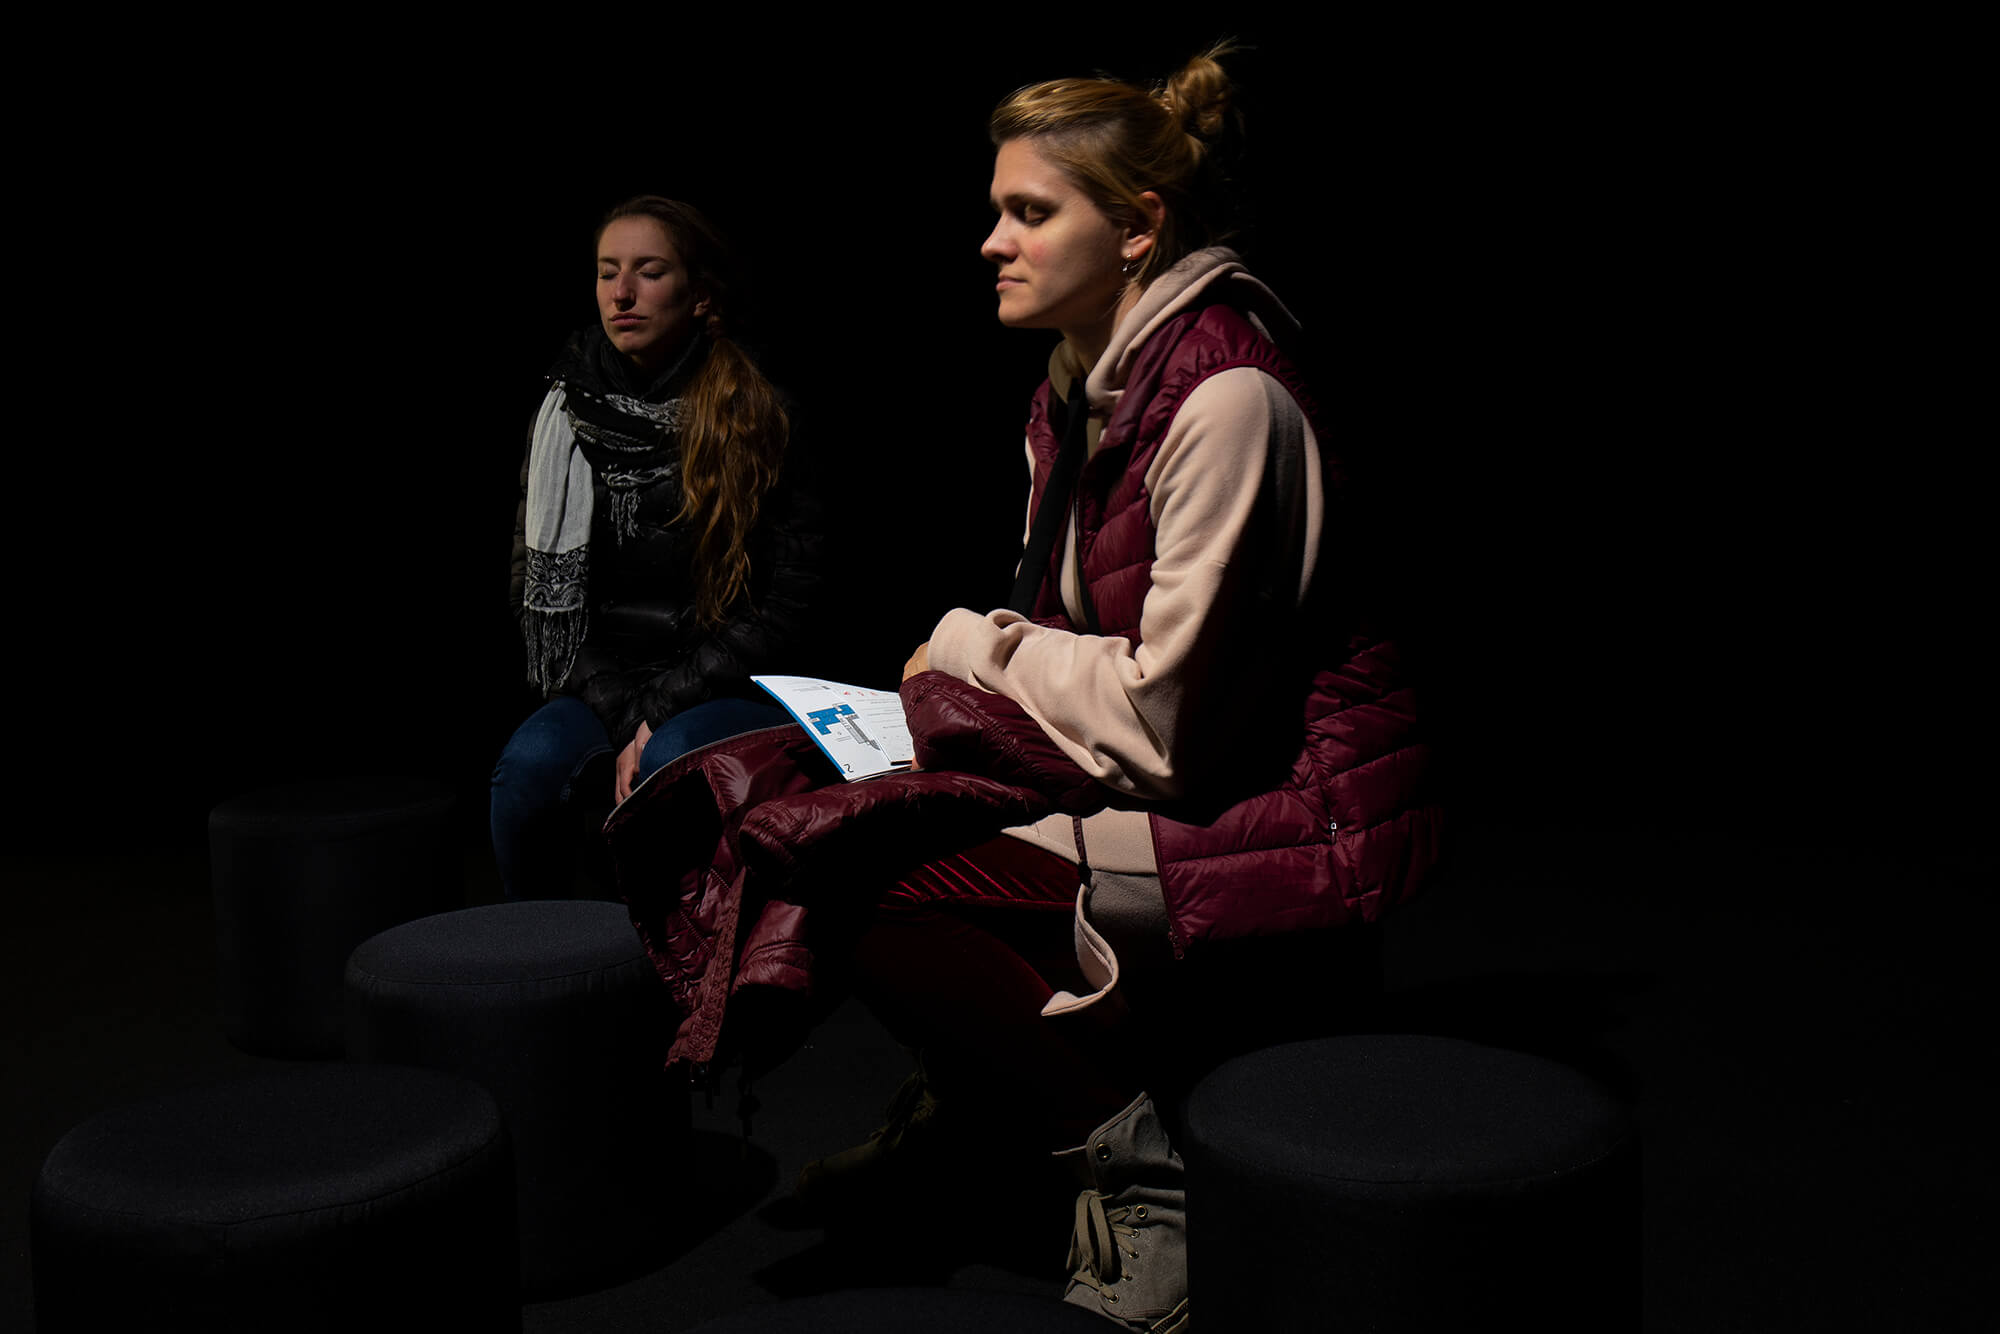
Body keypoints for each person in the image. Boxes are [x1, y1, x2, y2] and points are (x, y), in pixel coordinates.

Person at [609, 46, 1439, 1332]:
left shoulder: (1227, 400)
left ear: (1136, 228)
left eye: (1029, 211)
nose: (990, 241)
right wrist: (957, 699)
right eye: (997, 209)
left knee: (862, 857)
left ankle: (1141, 1172)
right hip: (1161, 784)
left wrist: (966, 652)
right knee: (786, 788)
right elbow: (1073, 647)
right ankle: (984, 1106)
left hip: (1279, 818)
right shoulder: (1072, 396)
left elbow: (1162, 725)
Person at [492, 196, 819, 902]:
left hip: (726, 684)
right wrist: (622, 710)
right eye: (607, 271)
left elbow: (783, 608)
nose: (622, 292)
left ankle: (675, 958)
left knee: (668, 758)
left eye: (649, 271)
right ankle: (539, 952)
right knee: (528, 769)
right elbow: (535, 597)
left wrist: (660, 711)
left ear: (699, 295)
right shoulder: (563, 415)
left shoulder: (757, 414)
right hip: (607, 683)